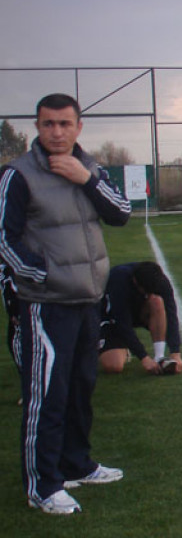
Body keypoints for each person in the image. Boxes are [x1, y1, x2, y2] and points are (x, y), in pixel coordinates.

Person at [0, 93, 132, 514]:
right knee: (47, 395)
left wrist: (86, 179)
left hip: (88, 299)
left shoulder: (90, 167)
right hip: (46, 304)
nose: (57, 132)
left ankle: (77, 464)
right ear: (37, 127)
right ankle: (42, 485)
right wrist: (42, 276)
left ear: (78, 127)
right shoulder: (18, 175)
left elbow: (121, 213)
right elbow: (4, 238)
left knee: (80, 388)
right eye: (48, 124)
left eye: (64, 124)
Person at [97, 261, 182, 375]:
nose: (148, 294)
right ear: (135, 281)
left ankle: (159, 357)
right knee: (113, 366)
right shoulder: (118, 281)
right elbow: (122, 323)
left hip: (137, 312)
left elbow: (171, 315)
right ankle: (109, 345)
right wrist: (143, 357)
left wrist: (175, 352)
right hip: (110, 317)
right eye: (146, 291)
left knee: (157, 301)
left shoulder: (161, 281)